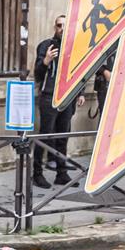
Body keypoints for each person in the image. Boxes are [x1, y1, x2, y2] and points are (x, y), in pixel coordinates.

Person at [31, 14, 75, 187]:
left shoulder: (74, 47)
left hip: (68, 95)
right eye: (59, 25)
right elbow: (37, 74)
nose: (62, 29)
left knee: (62, 136)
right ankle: (37, 173)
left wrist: (80, 93)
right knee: (45, 135)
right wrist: (46, 61)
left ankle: (61, 173)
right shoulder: (46, 45)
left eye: (65, 25)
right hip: (49, 95)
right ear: (55, 27)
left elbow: (79, 72)